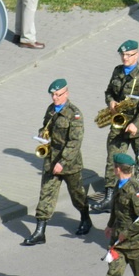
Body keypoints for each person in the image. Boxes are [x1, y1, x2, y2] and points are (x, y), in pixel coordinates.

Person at [22, 79, 92, 246]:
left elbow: (75, 141)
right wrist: (42, 135)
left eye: (58, 95)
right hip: (51, 160)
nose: (54, 98)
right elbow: (45, 126)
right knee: (46, 194)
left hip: (69, 163)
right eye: (52, 95)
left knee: (77, 195)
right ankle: (40, 232)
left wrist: (63, 161)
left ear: (66, 94)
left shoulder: (74, 114)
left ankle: (85, 218)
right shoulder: (51, 110)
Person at [91, 40, 139, 213]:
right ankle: (109, 197)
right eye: (123, 55)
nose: (125, 58)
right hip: (119, 124)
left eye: (129, 55)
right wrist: (111, 102)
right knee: (113, 159)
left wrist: (136, 123)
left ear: (137, 55)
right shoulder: (117, 71)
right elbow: (109, 92)